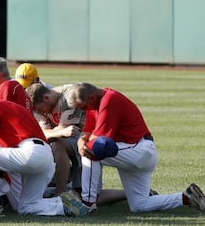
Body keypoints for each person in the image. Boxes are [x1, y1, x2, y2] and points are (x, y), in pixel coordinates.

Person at [64, 82, 205, 214]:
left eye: (82, 107)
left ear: (92, 97)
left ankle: (87, 204)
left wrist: (84, 147)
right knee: (139, 205)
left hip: (139, 150)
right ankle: (187, 197)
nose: (82, 111)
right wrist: (80, 142)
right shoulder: (95, 103)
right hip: (135, 154)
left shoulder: (110, 100)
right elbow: (88, 130)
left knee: (91, 152)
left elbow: (100, 138)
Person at [0, 99, 92, 217]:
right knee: (27, 206)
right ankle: (63, 204)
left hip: (31, 151)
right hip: (45, 156)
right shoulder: (7, 109)